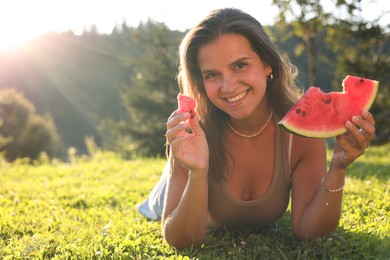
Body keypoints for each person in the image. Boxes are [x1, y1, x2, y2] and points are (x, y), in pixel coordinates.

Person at [137, 7, 375, 249]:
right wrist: (197, 172)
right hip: (178, 184)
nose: (228, 86)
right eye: (212, 75)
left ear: (267, 64)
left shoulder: (300, 134)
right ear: (201, 80)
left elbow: (309, 232)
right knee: (155, 205)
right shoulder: (192, 134)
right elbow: (183, 241)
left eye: (240, 65)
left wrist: (338, 168)